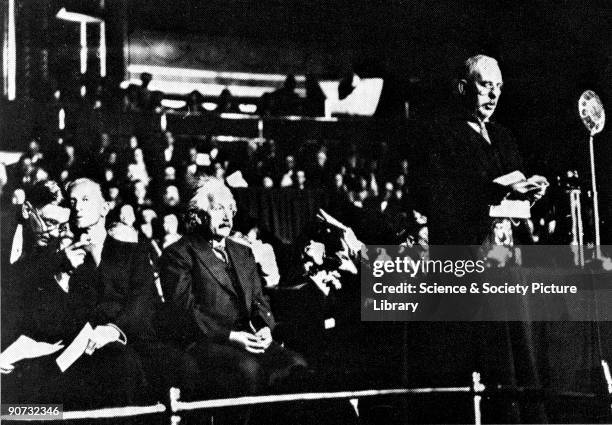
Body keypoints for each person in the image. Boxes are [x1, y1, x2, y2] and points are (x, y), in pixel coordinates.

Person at [159, 177, 307, 398]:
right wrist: (231, 336)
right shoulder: (177, 254)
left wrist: (265, 327)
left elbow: (259, 299)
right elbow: (185, 312)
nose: (227, 217)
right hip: (208, 341)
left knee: (296, 365)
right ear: (198, 215)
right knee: (249, 372)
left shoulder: (242, 252)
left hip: (250, 338)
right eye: (218, 209)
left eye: (230, 209)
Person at [420, 55, 549, 245]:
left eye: (498, 87)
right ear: (463, 88)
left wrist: (530, 193)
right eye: (486, 85)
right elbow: (435, 198)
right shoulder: (441, 136)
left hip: (511, 253)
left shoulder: (503, 137)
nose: (494, 94)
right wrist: (496, 191)